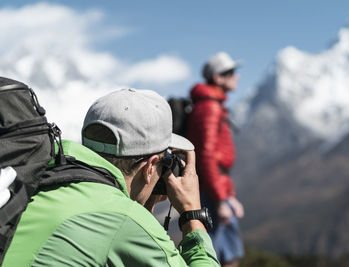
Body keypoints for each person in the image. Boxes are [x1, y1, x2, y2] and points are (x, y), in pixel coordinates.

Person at [3, 88, 219, 266]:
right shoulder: (124, 218)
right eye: (164, 163)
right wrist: (192, 214)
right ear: (151, 166)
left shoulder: (40, 178)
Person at [186, 52, 245, 267]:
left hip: (216, 188)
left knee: (226, 252)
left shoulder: (211, 104)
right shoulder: (210, 107)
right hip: (211, 192)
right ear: (218, 78)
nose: (236, 76)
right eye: (230, 72)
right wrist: (221, 200)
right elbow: (207, 157)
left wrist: (229, 195)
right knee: (219, 254)